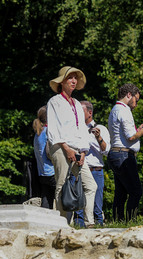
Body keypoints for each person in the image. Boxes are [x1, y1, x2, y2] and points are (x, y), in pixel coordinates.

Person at [46, 66, 97, 227]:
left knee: (90, 185)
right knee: (63, 184)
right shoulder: (54, 101)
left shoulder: (76, 103)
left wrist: (83, 151)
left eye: (75, 78)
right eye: (70, 78)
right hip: (60, 146)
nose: (74, 81)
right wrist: (66, 148)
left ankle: (89, 223)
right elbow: (53, 128)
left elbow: (81, 129)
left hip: (77, 148)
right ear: (62, 82)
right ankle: (61, 224)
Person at [107, 83, 143, 221]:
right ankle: (131, 220)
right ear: (129, 95)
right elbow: (130, 137)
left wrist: (138, 130)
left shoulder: (115, 109)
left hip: (115, 153)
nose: (135, 104)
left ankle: (117, 220)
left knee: (121, 193)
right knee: (136, 191)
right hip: (123, 155)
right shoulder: (124, 110)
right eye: (136, 100)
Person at [75, 100, 110, 226]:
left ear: (90, 113)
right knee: (79, 202)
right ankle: (79, 226)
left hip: (95, 170)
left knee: (97, 204)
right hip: (80, 168)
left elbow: (106, 151)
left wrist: (98, 137)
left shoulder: (101, 128)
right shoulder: (76, 129)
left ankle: (98, 225)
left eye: (81, 111)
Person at [32, 105, 56, 209]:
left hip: (42, 172)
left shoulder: (38, 134)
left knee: (46, 198)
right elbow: (50, 152)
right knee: (62, 196)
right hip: (52, 171)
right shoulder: (48, 131)